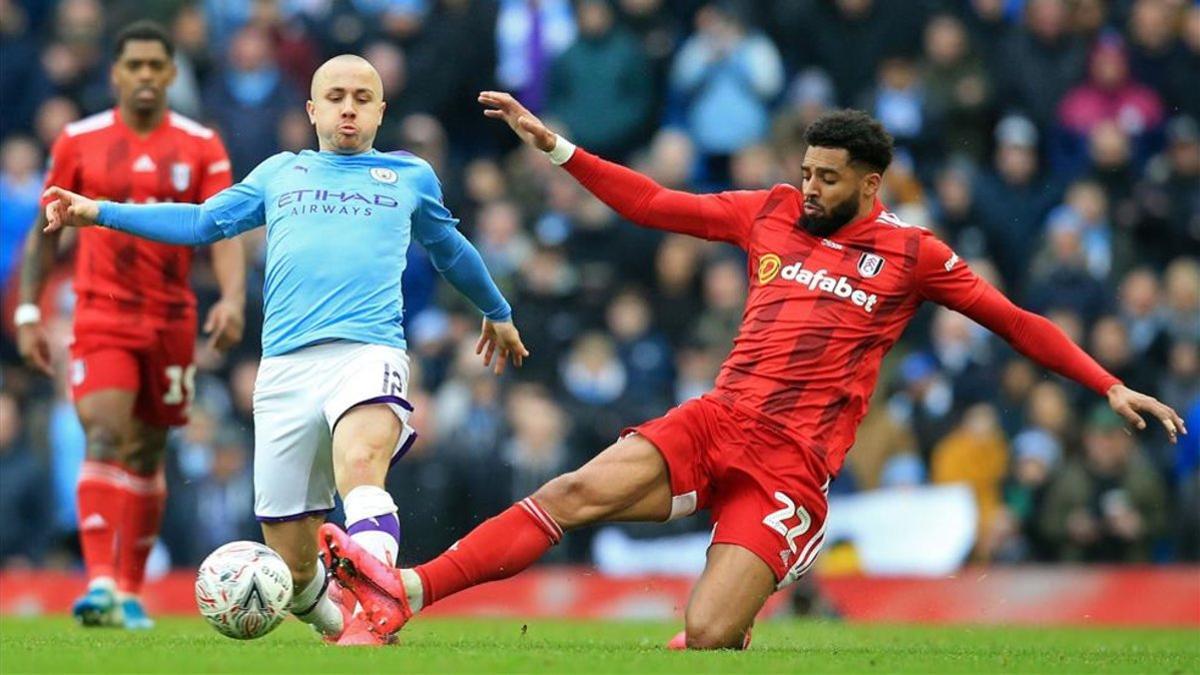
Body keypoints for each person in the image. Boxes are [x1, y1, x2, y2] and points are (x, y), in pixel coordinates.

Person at [317, 93, 1187, 649]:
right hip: (718, 417)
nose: (807, 188)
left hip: (791, 467)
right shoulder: (766, 212)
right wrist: (556, 147)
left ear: (872, 183)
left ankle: (768, 573)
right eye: (805, 171)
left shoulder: (913, 255)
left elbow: (1014, 319)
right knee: (577, 490)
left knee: (707, 632)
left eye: (827, 178)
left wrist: (1105, 382)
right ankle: (406, 592)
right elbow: (654, 203)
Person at [40, 55, 528, 647]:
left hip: (368, 350)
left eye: (362, 98)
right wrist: (98, 212)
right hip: (284, 369)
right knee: (294, 570)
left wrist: (497, 311)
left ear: (380, 111)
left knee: (361, 463)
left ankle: (378, 607)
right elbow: (201, 223)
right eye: (336, 96)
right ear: (312, 110)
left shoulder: (409, 177)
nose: (349, 108)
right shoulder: (279, 174)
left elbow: (451, 250)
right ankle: (345, 627)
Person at [14, 21, 246, 630]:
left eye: (155, 66)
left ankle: (129, 588)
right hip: (101, 313)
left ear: (171, 73)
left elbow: (223, 227)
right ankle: (97, 583)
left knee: (147, 453)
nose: (145, 76)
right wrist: (30, 309)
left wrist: (232, 297)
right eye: (134, 66)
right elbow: (48, 229)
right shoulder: (78, 140)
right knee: (105, 435)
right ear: (116, 73)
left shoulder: (201, 144)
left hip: (171, 318)